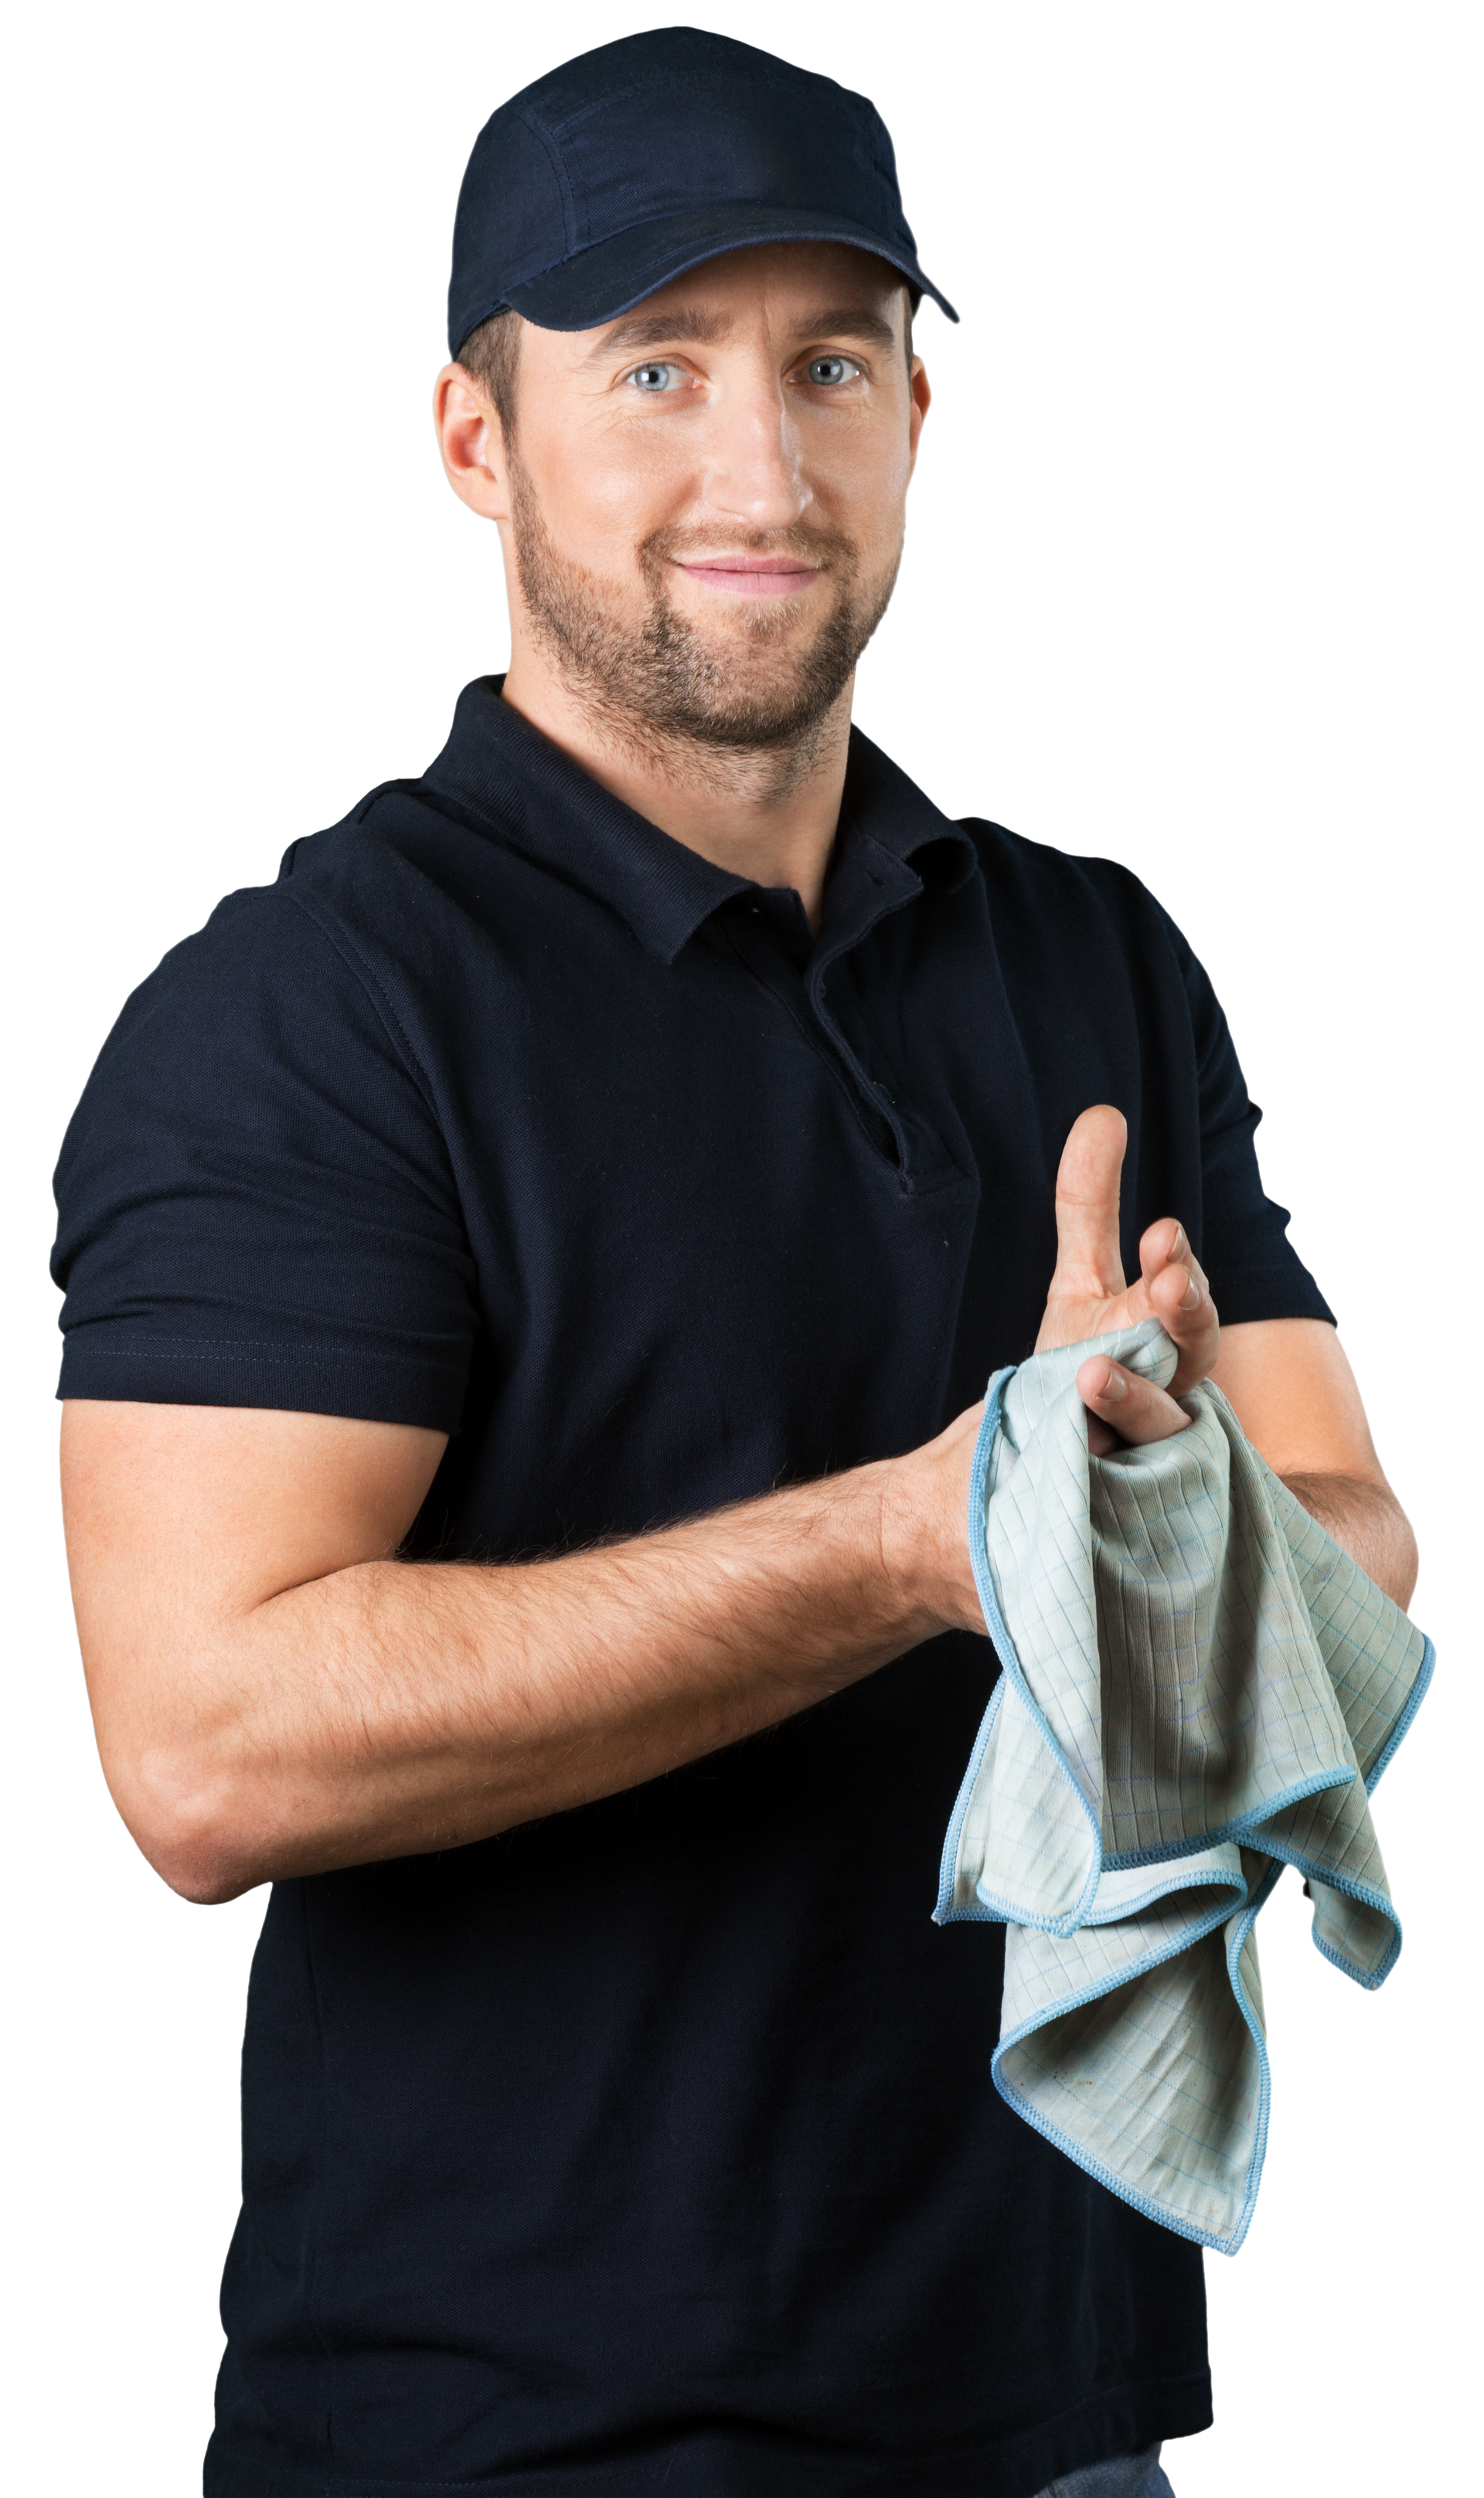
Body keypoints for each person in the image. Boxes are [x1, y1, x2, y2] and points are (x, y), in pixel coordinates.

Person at [52, 29, 1419, 2498]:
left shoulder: (1097, 954)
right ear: (476, 442)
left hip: (1066, 2424)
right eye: (657, 367)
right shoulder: (312, 1006)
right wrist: (918, 1541)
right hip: (514, 2443)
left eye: (832, 366)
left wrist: (1151, 1519)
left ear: (919, 413)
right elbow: (204, 1745)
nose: (762, 473)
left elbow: (1363, 1544)